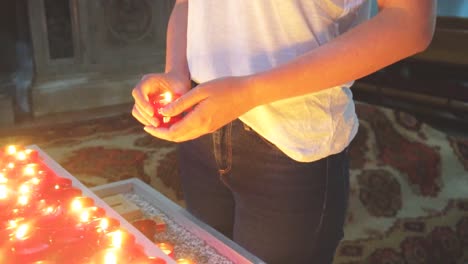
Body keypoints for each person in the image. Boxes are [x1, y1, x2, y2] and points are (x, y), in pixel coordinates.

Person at [131, 0, 436, 263]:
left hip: (290, 149)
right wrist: (176, 72)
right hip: (200, 134)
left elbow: (410, 22)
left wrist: (249, 93)